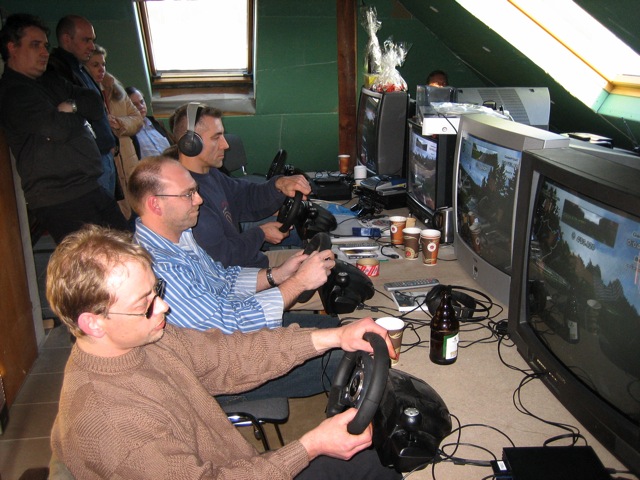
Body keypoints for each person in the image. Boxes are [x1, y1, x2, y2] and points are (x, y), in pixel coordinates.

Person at [46, 224, 400, 479]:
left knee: (371, 460)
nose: (163, 307)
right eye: (145, 303)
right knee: (371, 464)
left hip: (233, 464)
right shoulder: (110, 423)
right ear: (94, 323)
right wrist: (309, 446)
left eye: (157, 290)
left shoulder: (143, 338)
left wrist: (335, 337)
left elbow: (230, 355)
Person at [129, 155, 338, 401]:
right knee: (351, 354)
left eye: (196, 190)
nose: (199, 200)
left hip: (236, 341)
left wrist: (279, 274)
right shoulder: (158, 267)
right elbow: (226, 326)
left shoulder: (181, 236)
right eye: (188, 194)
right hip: (222, 372)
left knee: (336, 328)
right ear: (155, 205)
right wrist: (298, 283)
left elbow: (223, 280)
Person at [0, 13, 129, 244]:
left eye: (45, 45)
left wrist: (71, 107)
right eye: (35, 45)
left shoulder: (49, 80)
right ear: (12, 48)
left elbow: (94, 103)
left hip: (89, 185)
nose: (44, 52)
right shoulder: (14, 92)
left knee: (128, 244)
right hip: (60, 198)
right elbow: (58, 128)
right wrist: (78, 117)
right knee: (94, 261)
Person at [170, 103, 307, 269]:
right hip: (238, 274)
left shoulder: (210, 174)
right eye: (216, 137)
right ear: (191, 143)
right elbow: (222, 258)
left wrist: (279, 185)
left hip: (248, 260)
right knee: (321, 267)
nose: (225, 145)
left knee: (319, 257)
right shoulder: (188, 197)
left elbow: (245, 196)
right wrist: (261, 234)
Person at [47, 14, 119, 198]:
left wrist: (110, 141)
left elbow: (97, 107)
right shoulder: (57, 70)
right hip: (90, 160)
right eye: (86, 40)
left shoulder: (80, 68)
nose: (92, 46)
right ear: (66, 39)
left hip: (104, 155)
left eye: (92, 40)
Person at [85, 44, 143, 220]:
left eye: (103, 64)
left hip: (128, 160)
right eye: (95, 65)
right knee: (115, 216)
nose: (101, 69)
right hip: (106, 164)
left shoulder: (116, 90)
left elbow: (137, 119)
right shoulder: (83, 94)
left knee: (137, 212)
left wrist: (119, 123)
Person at [125, 85, 175, 158]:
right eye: (135, 104)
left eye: (142, 102)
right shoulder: (128, 131)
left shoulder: (156, 123)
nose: (141, 106)